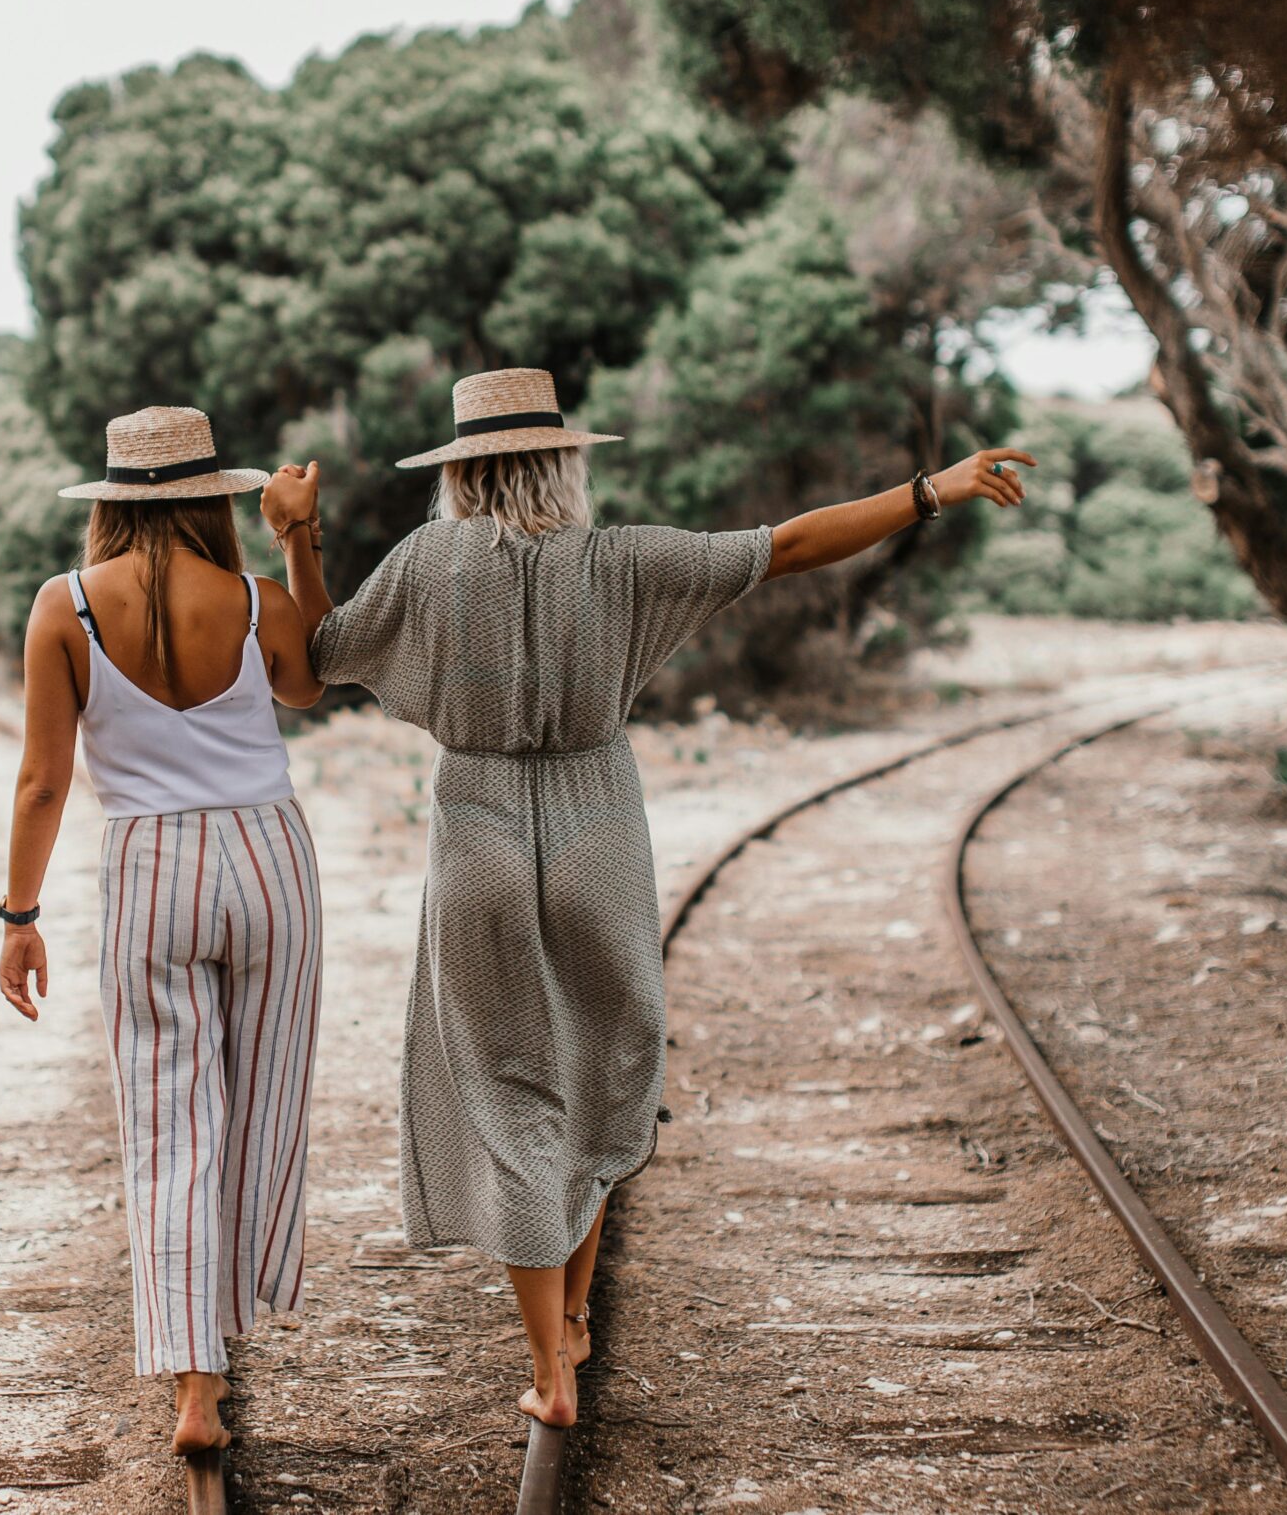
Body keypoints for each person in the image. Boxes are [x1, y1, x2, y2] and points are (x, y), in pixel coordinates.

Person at [259, 367, 1031, 1432]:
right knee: (603, 1063)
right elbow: (791, 545)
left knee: (507, 1087)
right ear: (563, 462)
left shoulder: (426, 563)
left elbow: (316, 658)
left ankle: (548, 1365)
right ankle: (574, 1311)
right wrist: (929, 491)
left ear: (460, 474)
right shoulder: (625, 561)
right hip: (598, 826)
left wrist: (297, 541)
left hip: (475, 825)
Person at [0, 405, 329, 1458]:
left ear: (108, 502)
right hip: (270, 859)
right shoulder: (250, 596)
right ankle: (237, 1303)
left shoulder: (64, 608)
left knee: (167, 1122)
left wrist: (20, 916)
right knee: (263, 1099)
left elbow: (44, 781)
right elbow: (311, 680)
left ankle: (196, 1385)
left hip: (149, 868)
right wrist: (298, 539)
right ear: (208, 497)